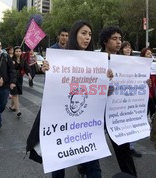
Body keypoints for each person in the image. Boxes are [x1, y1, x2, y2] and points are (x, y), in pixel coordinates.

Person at [42, 20, 102, 178]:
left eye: (89, 34)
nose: (87, 37)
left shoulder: (96, 61)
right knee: (59, 162)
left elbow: (100, 92)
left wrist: (107, 81)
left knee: (94, 166)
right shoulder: (59, 59)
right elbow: (53, 91)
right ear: (75, 35)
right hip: (62, 123)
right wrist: (48, 71)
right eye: (83, 33)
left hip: (87, 124)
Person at [99, 26, 137, 177]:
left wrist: (143, 84)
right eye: (114, 39)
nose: (118, 42)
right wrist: (102, 89)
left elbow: (132, 82)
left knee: (123, 148)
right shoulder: (95, 60)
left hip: (117, 112)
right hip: (98, 111)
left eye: (120, 39)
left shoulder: (124, 62)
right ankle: (84, 167)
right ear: (105, 41)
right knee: (89, 142)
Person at [119, 41, 142, 158]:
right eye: (125, 48)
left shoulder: (136, 62)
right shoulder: (116, 61)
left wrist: (145, 82)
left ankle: (131, 147)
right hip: (120, 98)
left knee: (132, 123)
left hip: (132, 98)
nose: (128, 50)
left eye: (129, 48)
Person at [9, 46, 32, 117]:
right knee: (15, 93)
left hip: (19, 78)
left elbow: (26, 68)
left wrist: (29, 74)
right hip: (12, 78)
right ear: (14, 52)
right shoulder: (10, 59)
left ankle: (12, 106)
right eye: (17, 51)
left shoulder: (23, 60)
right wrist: (11, 63)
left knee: (16, 93)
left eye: (19, 51)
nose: (18, 53)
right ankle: (18, 110)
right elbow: (7, 69)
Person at [140, 47, 156, 117]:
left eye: (151, 53)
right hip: (145, 92)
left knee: (151, 110)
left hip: (152, 91)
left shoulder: (153, 66)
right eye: (148, 54)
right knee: (152, 109)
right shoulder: (140, 66)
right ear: (143, 56)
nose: (150, 55)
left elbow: (155, 78)